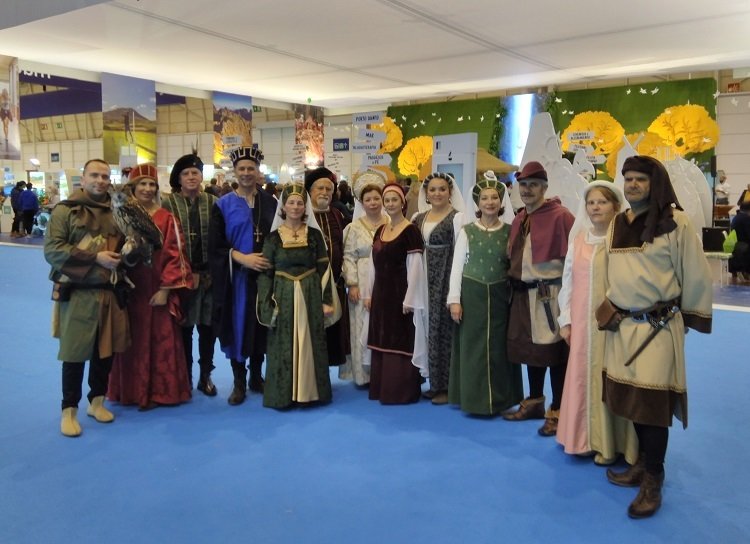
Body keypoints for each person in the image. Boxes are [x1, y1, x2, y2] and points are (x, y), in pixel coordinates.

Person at [601, 155, 712, 519]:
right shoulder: (617, 223)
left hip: (657, 327)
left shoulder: (675, 222)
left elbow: (694, 271)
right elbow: (610, 271)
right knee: (631, 399)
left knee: (651, 407)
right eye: (628, 179)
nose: (633, 185)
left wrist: (691, 317)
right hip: (622, 326)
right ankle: (641, 465)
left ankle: (653, 477)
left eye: (641, 179)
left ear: (655, 183)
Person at [44, 158, 129, 437]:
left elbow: (125, 248)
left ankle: (97, 402)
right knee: (75, 353)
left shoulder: (118, 210)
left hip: (110, 291)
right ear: (83, 178)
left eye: (105, 176)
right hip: (78, 293)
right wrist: (95, 258)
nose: (100, 181)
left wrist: (133, 250)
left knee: (105, 351)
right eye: (94, 175)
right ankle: (69, 410)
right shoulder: (65, 210)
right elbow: (53, 250)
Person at [556, 181, 638, 465]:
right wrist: (565, 320)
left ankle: (610, 443)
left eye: (602, 202)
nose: (595, 207)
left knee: (611, 378)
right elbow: (568, 281)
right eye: (591, 202)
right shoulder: (579, 240)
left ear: (615, 206)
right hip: (582, 324)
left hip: (614, 325)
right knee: (582, 377)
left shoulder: (623, 241)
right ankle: (582, 438)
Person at [108, 163, 193, 409]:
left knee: (159, 340)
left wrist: (166, 290)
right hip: (131, 289)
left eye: (151, 184)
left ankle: (160, 392)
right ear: (132, 188)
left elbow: (176, 255)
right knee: (130, 339)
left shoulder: (167, 218)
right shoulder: (119, 215)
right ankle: (132, 391)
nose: (147, 188)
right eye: (142, 184)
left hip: (156, 288)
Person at [503, 161, 575, 436]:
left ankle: (557, 409)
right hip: (523, 294)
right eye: (523, 185)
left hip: (549, 296)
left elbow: (573, 261)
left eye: (533, 185)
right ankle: (534, 401)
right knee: (530, 351)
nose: (527, 190)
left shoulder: (561, 216)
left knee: (554, 353)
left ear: (544, 188)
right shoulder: (520, 217)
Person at [447, 176, 523, 416]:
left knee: (500, 348)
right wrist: (454, 300)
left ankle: (501, 399)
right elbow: (457, 267)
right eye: (485, 198)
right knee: (473, 348)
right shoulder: (467, 231)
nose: (490, 202)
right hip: (472, 295)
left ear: (501, 202)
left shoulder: (510, 232)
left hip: (501, 297)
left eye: (494, 198)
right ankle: (474, 400)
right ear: (478, 203)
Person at [209, 146, 277, 405]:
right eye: (242, 169)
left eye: (251, 168)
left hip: (265, 278)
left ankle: (256, 377)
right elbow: (215, 246)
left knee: (262, 327)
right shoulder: (223, 205)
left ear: (258, 171)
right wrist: (242, 258)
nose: (247, 173)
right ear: (235, 171)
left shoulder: (270, 203)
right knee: (238, 327)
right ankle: (239, 381)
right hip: (236, 278)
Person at [256, 182, 333, 409]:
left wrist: (326, 300)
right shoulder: (272, 239)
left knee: (311, 342)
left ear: (305, 207)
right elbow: (266, 273)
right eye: (291, 202)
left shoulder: (314, 236)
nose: (296, 207)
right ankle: (283, 395)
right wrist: (266, 304)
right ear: (283, 206)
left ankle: (310, 392)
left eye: (300, 203)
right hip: (283, 296)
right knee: (283, 343)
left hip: (310, 295)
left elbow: (324, 269)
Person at [364, 182, 426, 404]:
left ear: (402, 203)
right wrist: (368, 294)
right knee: (381, 338)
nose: (390, 204)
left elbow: (416, 268)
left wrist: (410, 298)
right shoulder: (380, 230)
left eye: (394, 200)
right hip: (381, 295)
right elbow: (373, 265)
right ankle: (381, 388)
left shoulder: (411, 231)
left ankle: (400, 391)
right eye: (387, 200)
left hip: (401, 296)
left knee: (400, 339)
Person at [162, 153, 218, 396]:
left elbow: (221, 239)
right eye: (186, 173)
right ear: (179, 178)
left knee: (208, 329)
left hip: (209, 277)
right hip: (181, 278)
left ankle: (205, 376)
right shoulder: (168, 204)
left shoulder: (213, 202)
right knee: (183, 330)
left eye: (195, 172)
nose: (191, 177)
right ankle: (184, 377)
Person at [412, 172, 465, 404]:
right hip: (423, 278)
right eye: (432, 189)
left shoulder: (457, 218)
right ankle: (433, 382)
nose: (437, 193)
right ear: (426, 193)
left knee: (443, 330)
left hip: (445, 277)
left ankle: (447, 386)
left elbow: (461, 251)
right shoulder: (418, 218)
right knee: (427, 327)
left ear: (450, 192)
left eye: (442, 189)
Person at [340, 170, 387, 387]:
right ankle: (364, 375)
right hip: (361, 281)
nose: (373, 203)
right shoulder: (353, 227)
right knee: (361, 327)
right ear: (361, 202)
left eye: (376, 198)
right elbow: (348, 256)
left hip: (386, 281)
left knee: (384, 326)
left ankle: (384, 372)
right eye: (368, 199)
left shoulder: (391, 222)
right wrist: (352, 284)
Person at [305, 167, 351, 366]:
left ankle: (325, 375)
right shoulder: (301, 215)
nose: (324, 192)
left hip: (336, 285)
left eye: (329, 189)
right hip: (311, 288)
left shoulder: (337, 215)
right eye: (320, 188)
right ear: (310, 191)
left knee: (333, 335)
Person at [729, 189, 750, 282]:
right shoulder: (745, 219)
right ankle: (746, 272)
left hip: (736, 244)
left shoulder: (737, 217)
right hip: (741, 244)